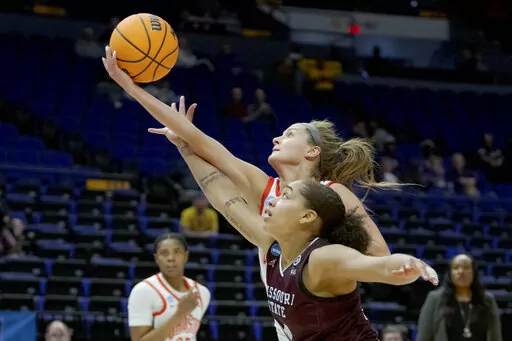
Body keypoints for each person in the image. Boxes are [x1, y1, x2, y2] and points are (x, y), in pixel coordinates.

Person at [102, 46, 391, 258]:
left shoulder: (332, 192)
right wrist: (133, 88)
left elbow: (380, 255)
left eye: (290, 134)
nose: (277, 138)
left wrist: (310, 251)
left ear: (312, 151)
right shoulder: (265, 188)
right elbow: (198, 141)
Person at [128, 233, 211, 341]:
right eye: (164, 253)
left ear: (186, 256)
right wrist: (180, 314)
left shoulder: (202, 292)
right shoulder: (143, 291)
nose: (171, 258)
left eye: (177, 252)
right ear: (156, 258)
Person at [417, 254, 502, 341]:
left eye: (466, 268)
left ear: (474, 272)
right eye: (456, 268)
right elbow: (424, 336)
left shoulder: (487, 300)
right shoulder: (435, 299)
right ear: (450, 273)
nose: (461, 271)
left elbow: (495, 336)